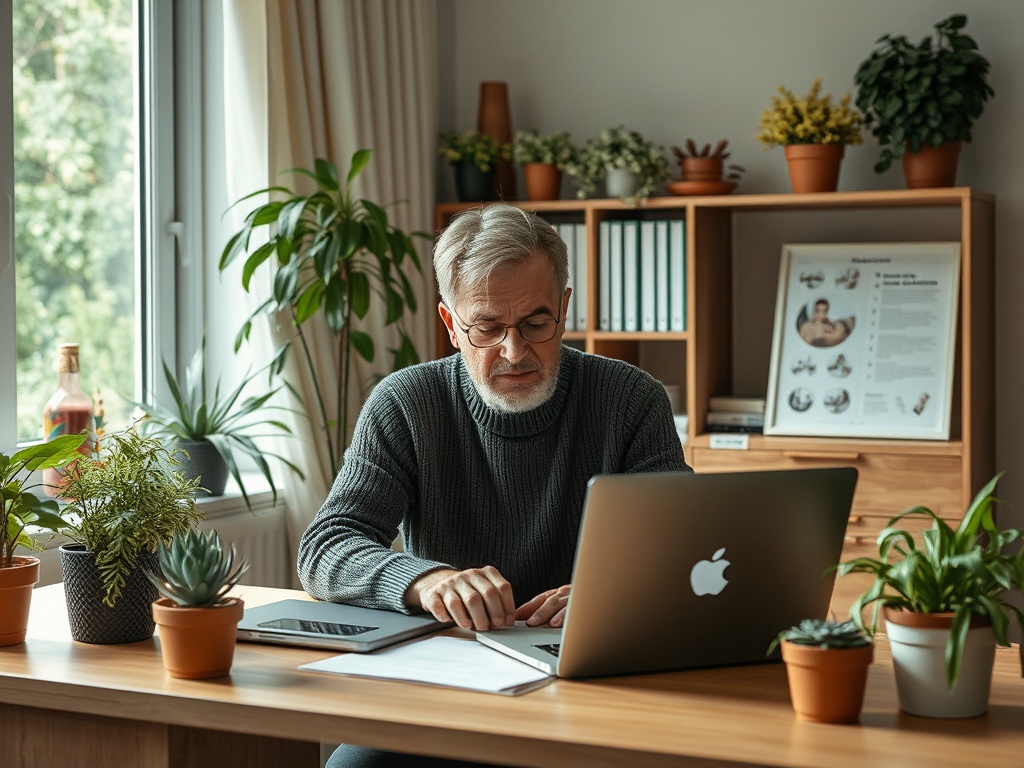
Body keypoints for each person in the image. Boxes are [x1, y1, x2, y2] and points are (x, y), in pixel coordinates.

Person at [298, 203, 691, 768]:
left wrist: (615, 595)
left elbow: (682, 547)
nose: (515, 352)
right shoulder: (407, 403)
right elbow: (326, 547)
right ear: (451, 324)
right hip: (447, 689)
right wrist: (426, 580)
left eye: (536, 323)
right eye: (487, 327)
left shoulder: (630, 399)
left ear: (564, 308)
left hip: (595, 686)